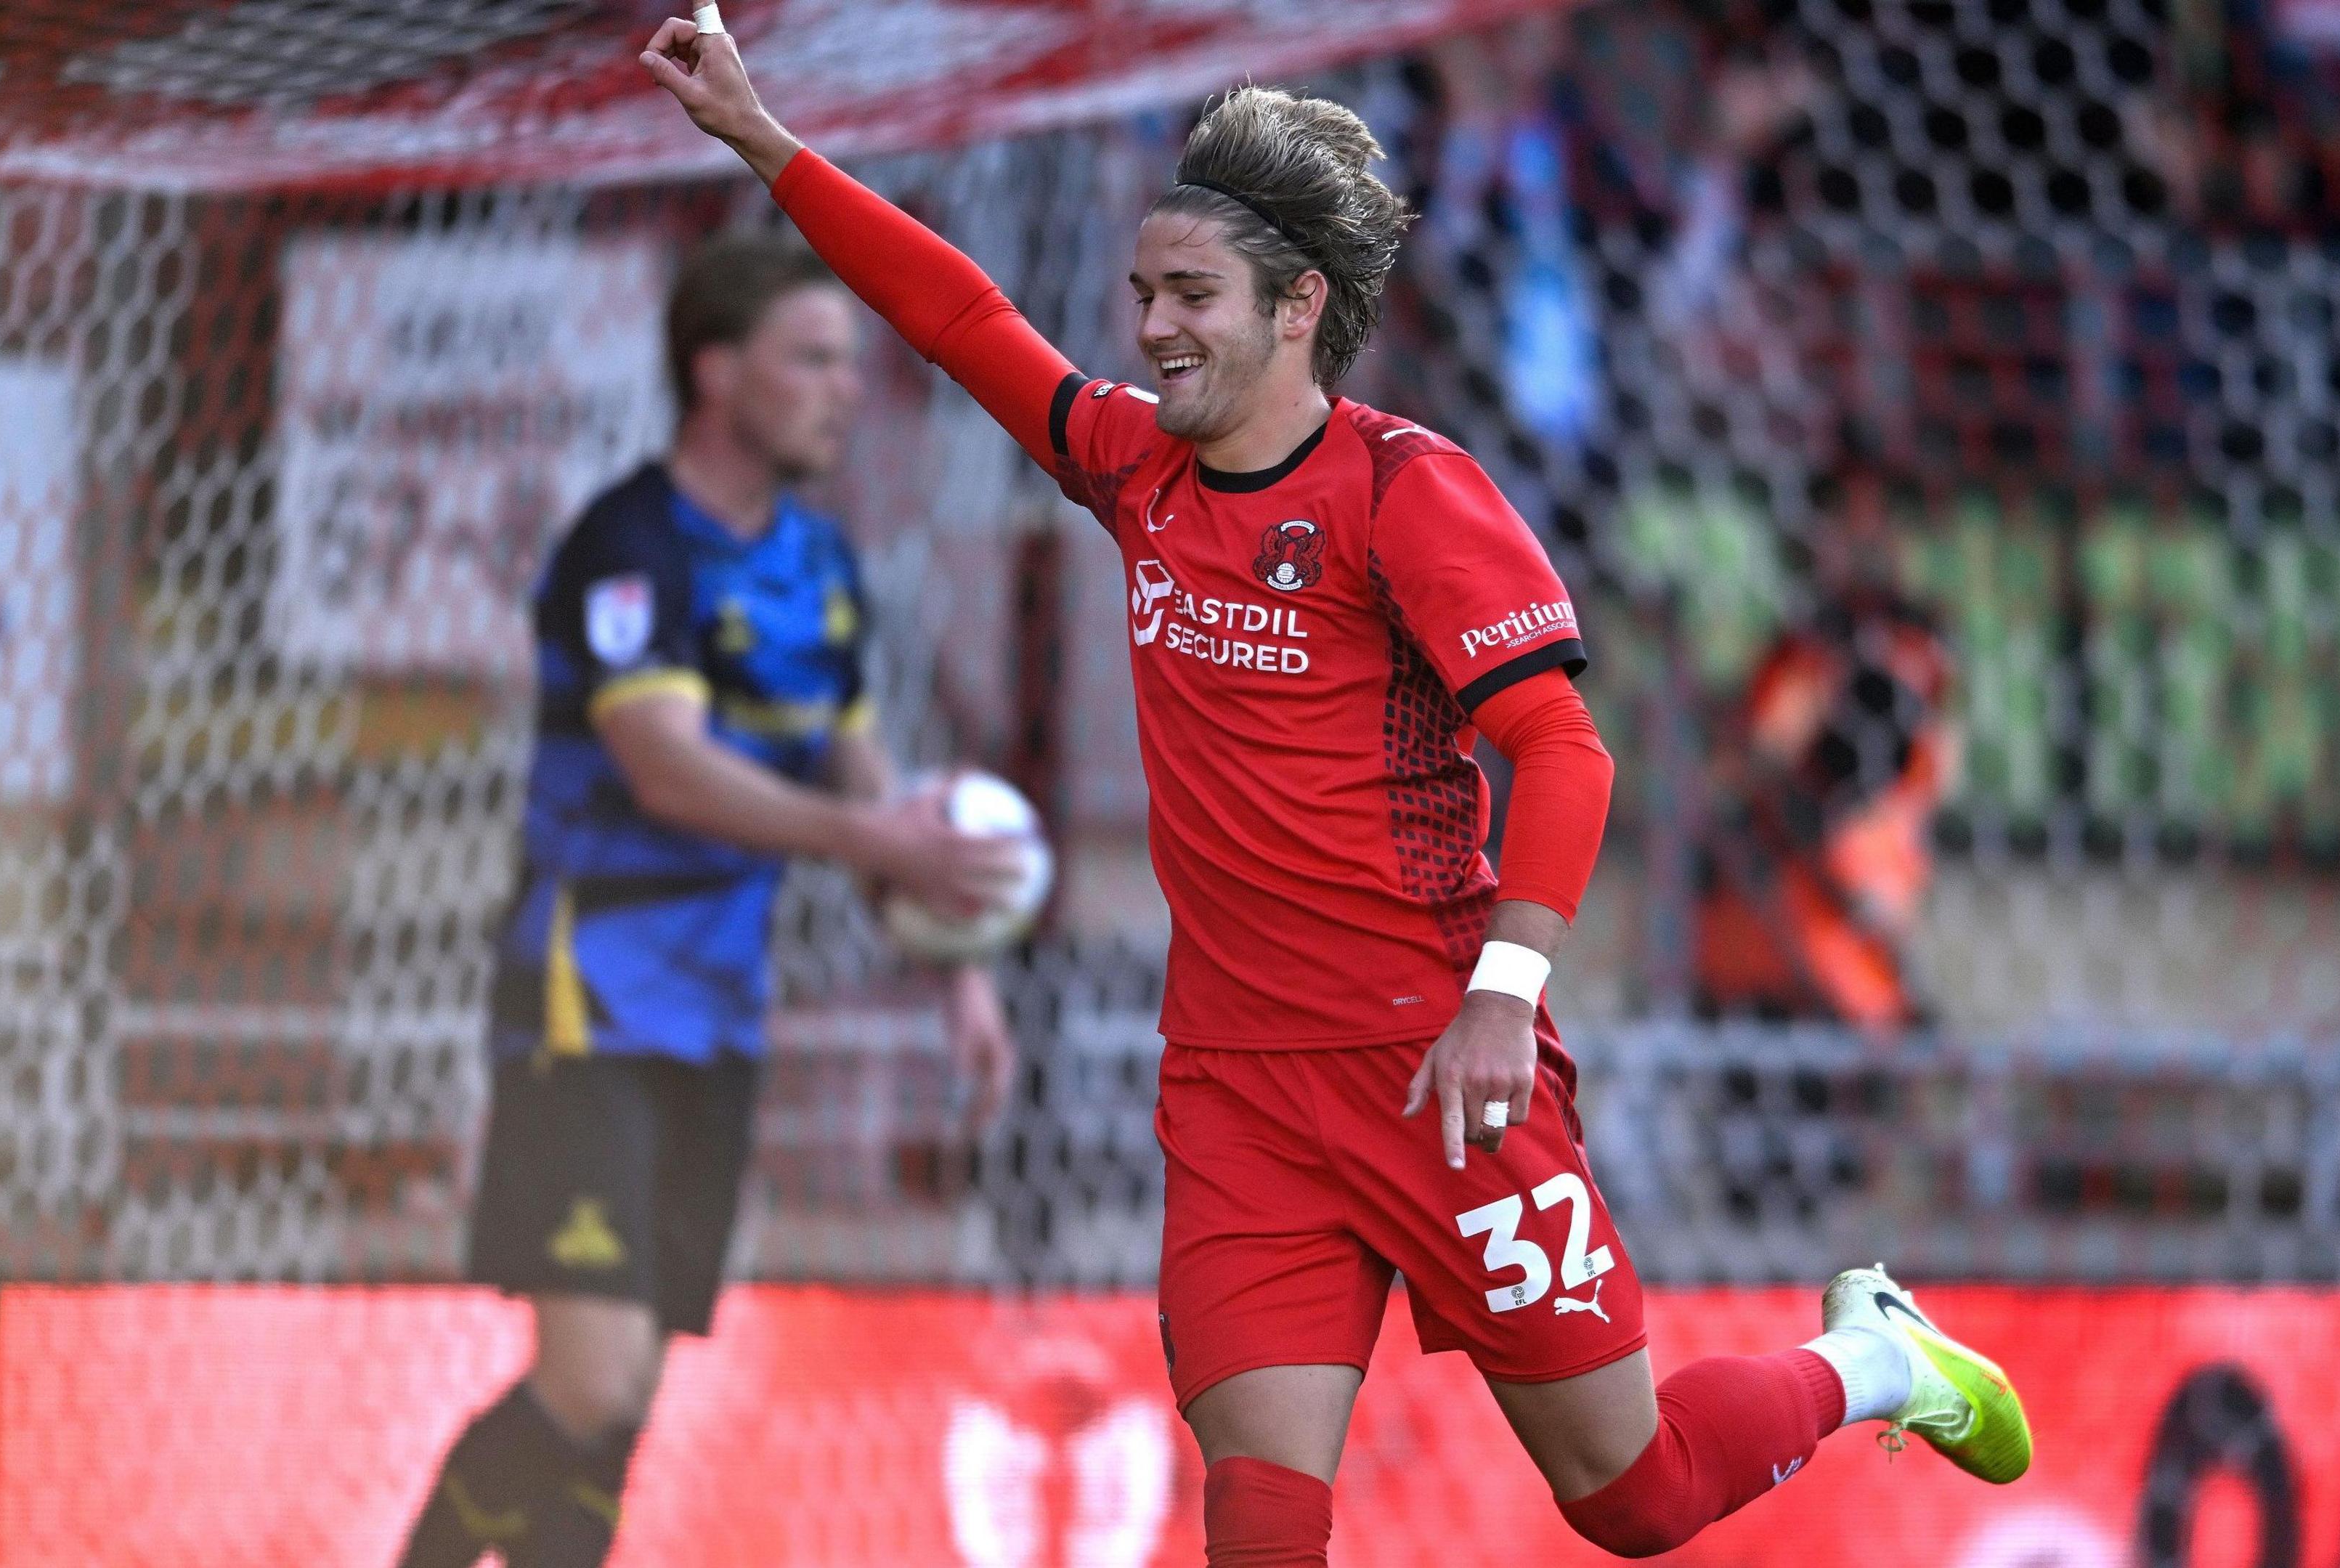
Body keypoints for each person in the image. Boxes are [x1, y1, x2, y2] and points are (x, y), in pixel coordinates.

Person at [643, 23, 2034, 1562]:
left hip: (1438, 1067)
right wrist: (765, 141)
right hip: (1238, 1088)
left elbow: (1568, 753)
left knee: (1631, 1496)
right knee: (1260, 1517)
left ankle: (1876, 1354)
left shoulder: (1403, 493)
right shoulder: (1130, 467)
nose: (1152, 329)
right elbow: (957, 313)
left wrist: (1505, 991)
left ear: (1299, 306)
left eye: (1191, 298)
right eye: (1142, 296)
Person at [394, 235, 1024, 1568]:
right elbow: (664, 765)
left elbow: (871, 785)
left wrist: (953, 959)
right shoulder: (628, 545)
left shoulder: (826, 567)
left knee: (623, 1406)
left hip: (721, 1021)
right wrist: (873, 833)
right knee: (589, 1377)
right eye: (811, 358)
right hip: (590, 999)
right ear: (715, 370)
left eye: (851, 363)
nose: (844, 388)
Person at [1696, 474, 1953, 1032]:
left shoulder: (1908, 651)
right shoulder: (1803, 647)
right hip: (1769, 949)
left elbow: (1768, 759)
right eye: (1841, 522)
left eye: (1870, 521)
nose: (1858, 538)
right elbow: (1745, 765)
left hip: (1837, 952)